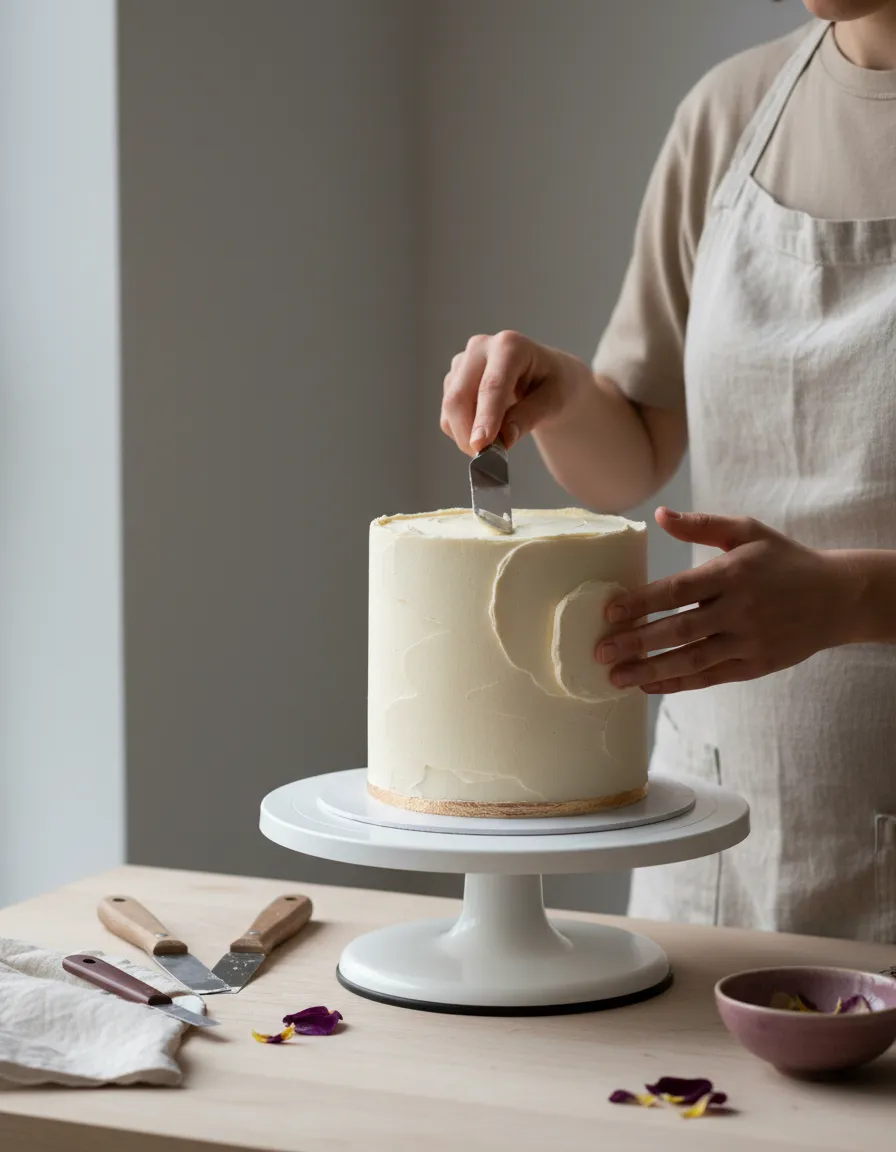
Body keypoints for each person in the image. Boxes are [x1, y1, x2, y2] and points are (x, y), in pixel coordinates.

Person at [440, 1, 896, 944]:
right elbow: (638, 451)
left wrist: (852, 599)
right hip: (723, 848)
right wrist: (561, 392)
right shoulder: (731, 114)